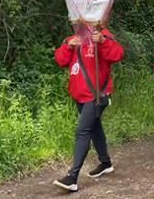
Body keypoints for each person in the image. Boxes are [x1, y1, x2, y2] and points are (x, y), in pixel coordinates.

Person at [53, 24, 125, 192]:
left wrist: (103, 41)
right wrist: (68, 46)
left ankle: (72, 177)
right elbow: (61, 60)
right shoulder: (74, 38)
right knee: (94, 128)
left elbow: (118, 54)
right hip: (79, 94)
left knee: (83, 131)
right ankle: (105, 163)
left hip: (97, 95)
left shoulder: (103, 35)